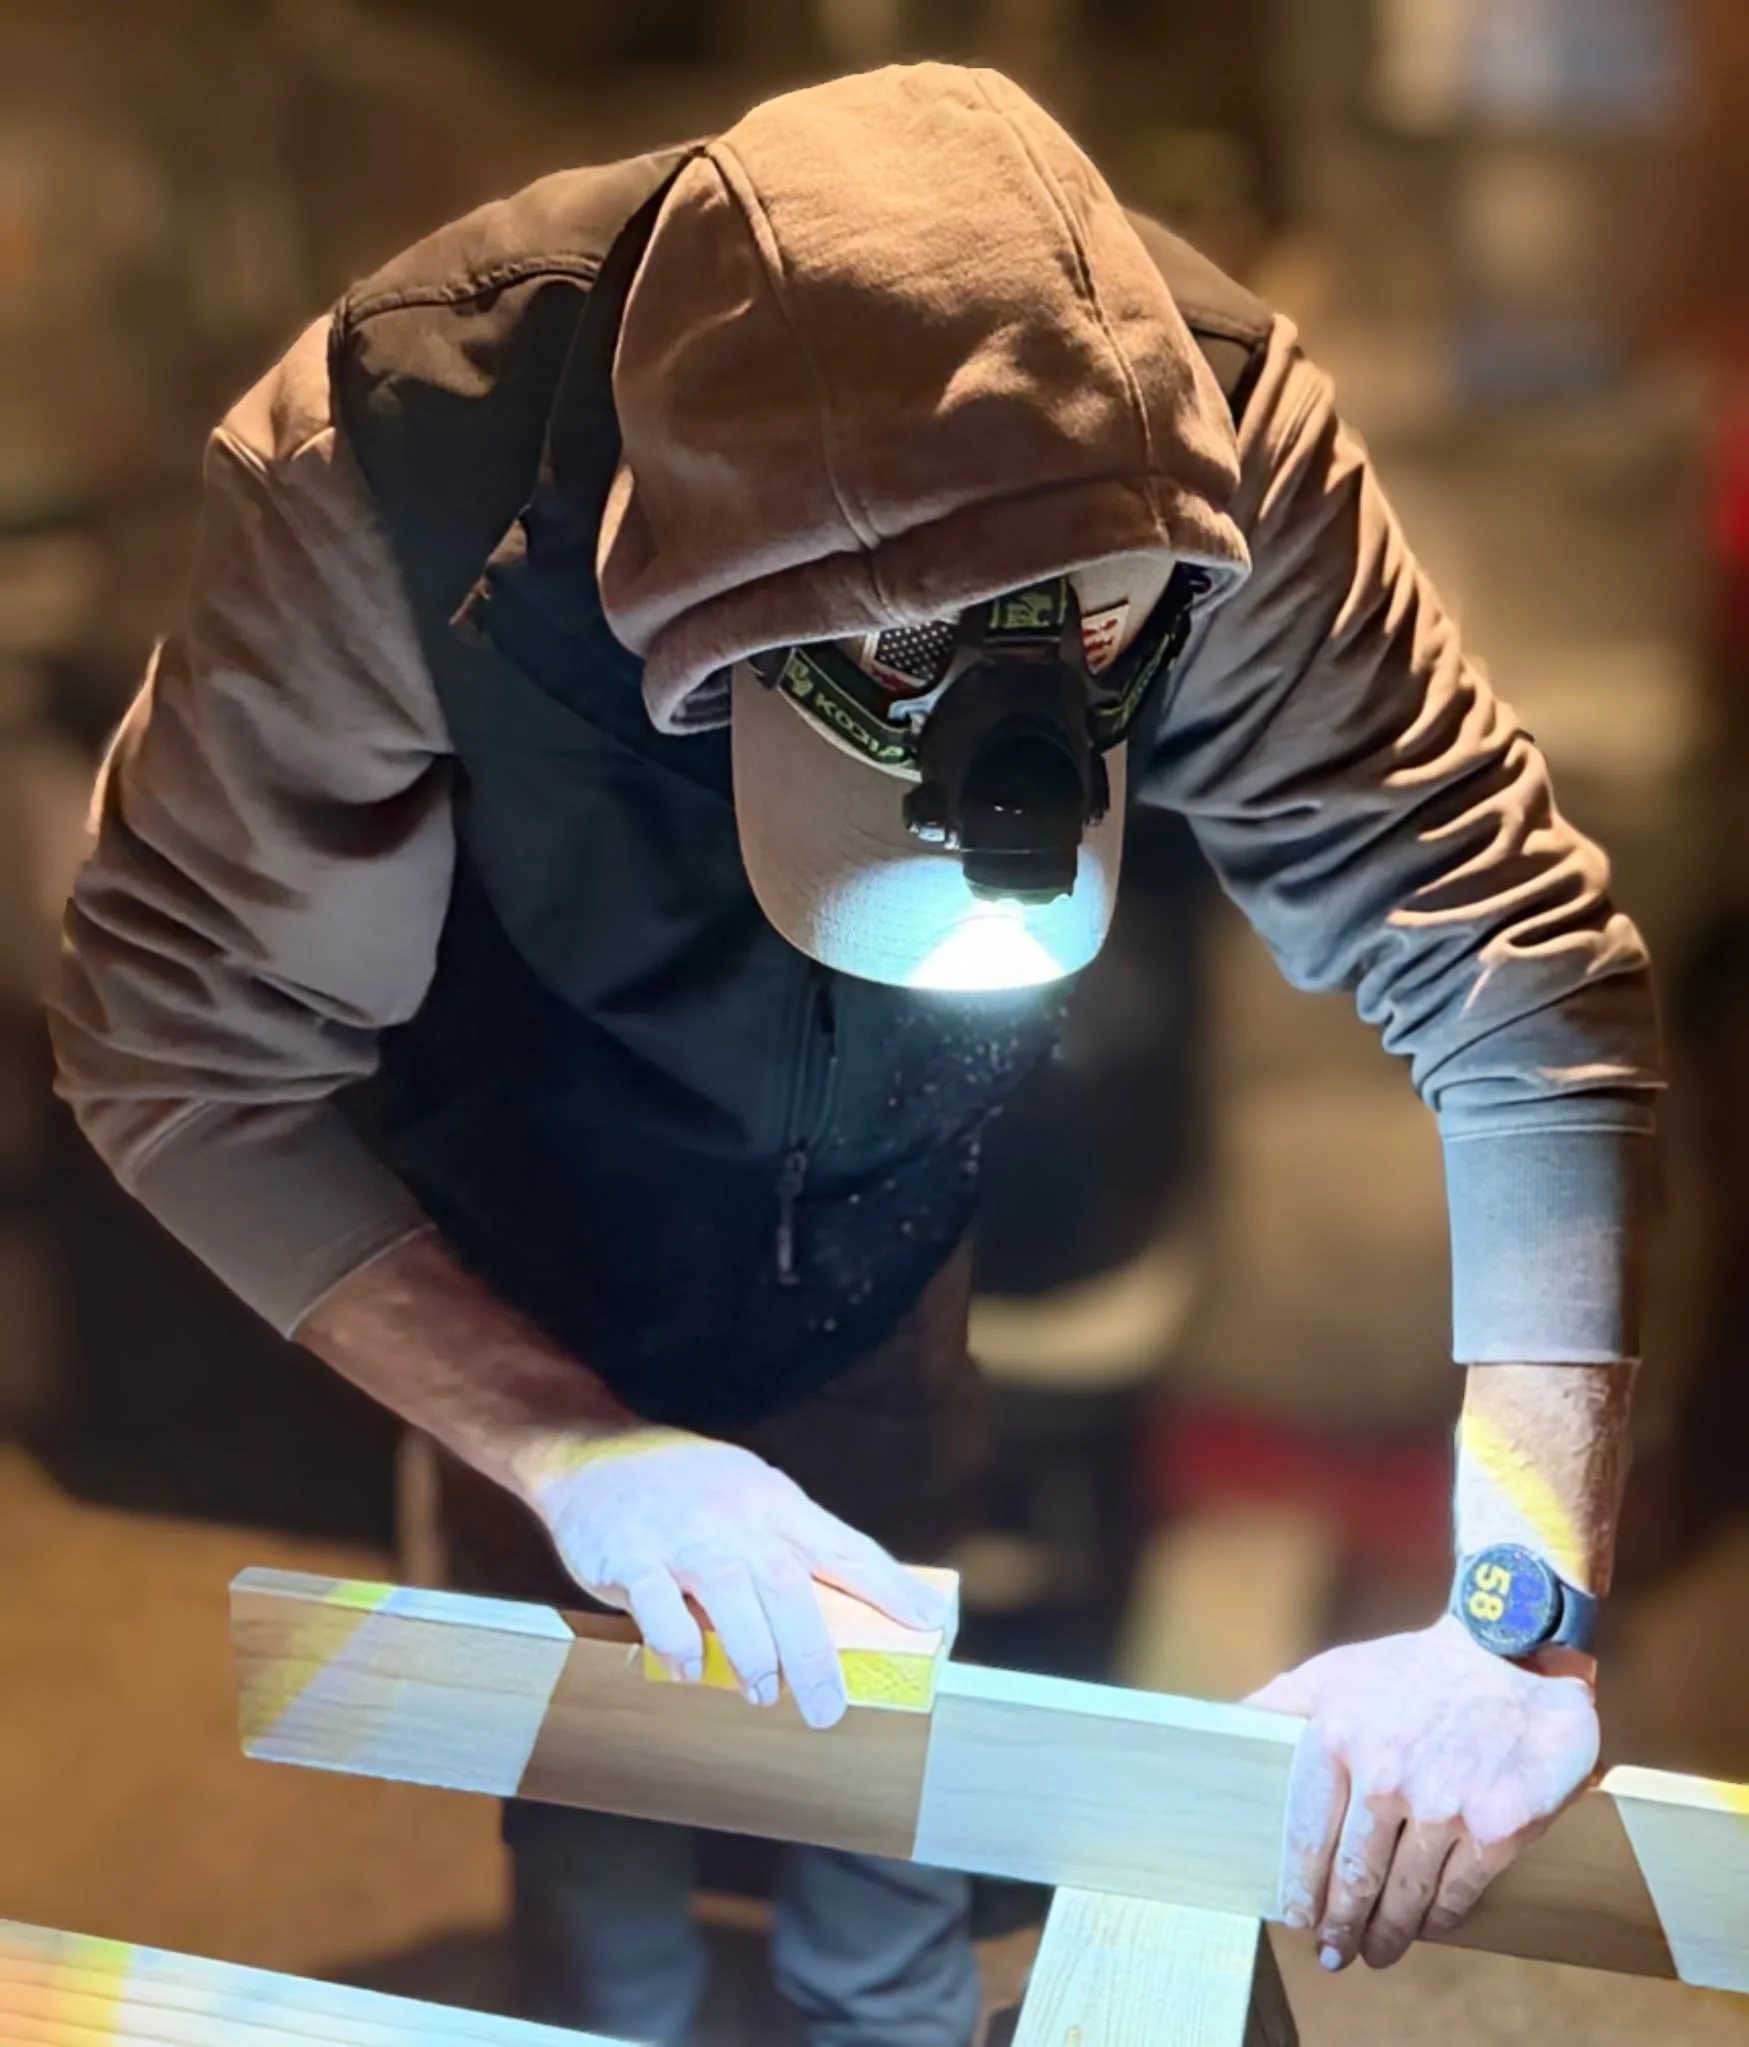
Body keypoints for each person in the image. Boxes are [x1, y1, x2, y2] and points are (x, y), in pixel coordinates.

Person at [50, 63, 1658, 2047]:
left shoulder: (1224, 453)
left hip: (883, 1219)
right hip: (533, 1186)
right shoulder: (379, 472)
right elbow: (172, 1062)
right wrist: (573, 1455)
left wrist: (1524, 1609)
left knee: (886, 1766)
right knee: (602, 1802)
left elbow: (1519, 973)